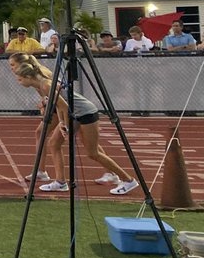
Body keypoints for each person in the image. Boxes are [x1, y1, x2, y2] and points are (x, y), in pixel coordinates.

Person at [8, 53, 139, 195]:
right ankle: (60, 182)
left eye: (20, 80)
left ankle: (128, 180)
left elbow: (63, 107)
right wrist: (48, 108)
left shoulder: (45, 84)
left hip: (85, 113)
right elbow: (59, 105)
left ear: (28, 77)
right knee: (54, 143)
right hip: (74, 114)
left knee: (92, 152)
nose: (19, 82)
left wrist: (63, 124)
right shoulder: (40, 82)